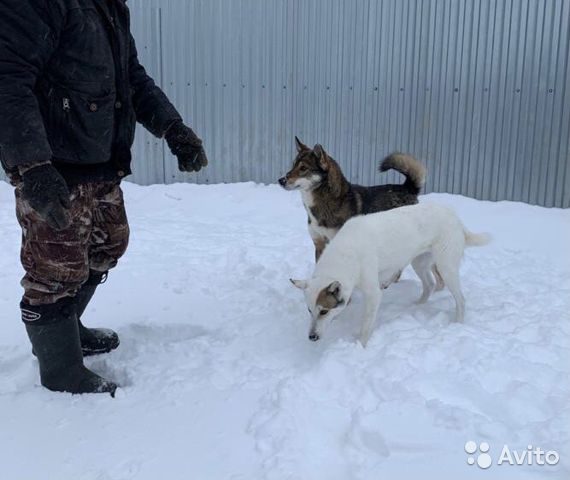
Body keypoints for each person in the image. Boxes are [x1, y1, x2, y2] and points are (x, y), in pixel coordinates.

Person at [0, 0, 208, 396]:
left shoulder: (108, 7)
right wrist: (33, 167)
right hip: (53, 166)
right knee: (55, 269)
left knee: (108, 243)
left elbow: (131, 77)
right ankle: (60, 370)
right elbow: (7, 80)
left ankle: (68, 326)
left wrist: (173, 128)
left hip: (99, 160)